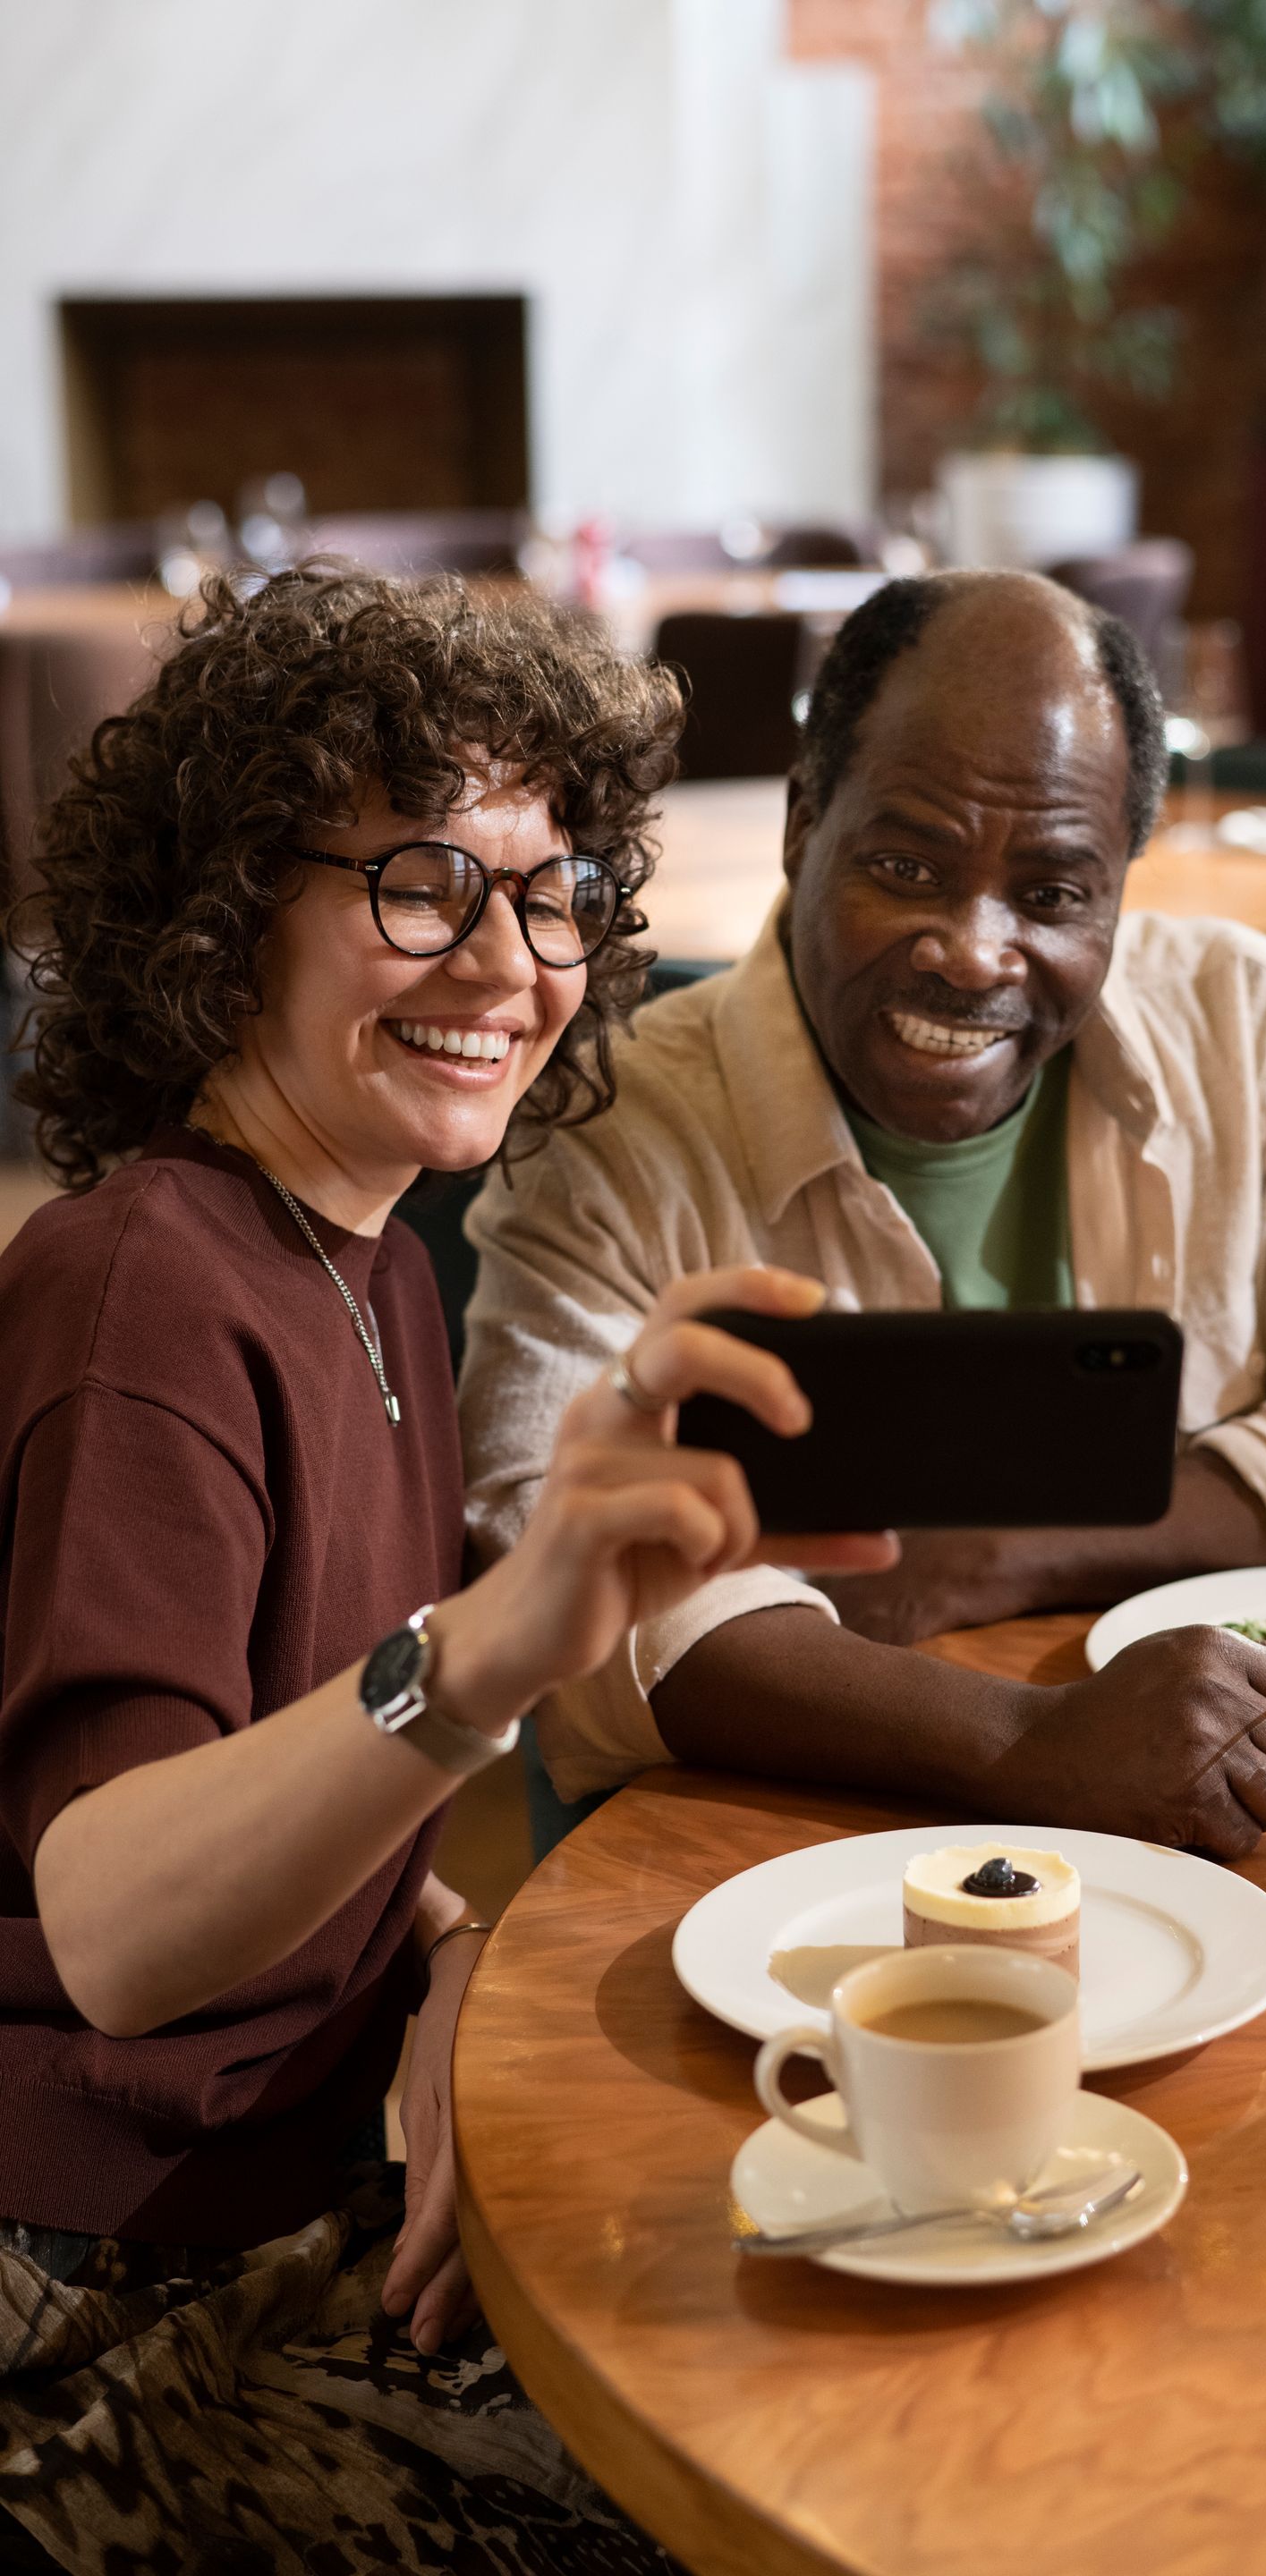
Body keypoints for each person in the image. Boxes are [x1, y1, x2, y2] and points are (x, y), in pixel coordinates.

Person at [0, 568, 889, 2576]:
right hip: (101, 2304)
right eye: (420, 881)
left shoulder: (374, 1255)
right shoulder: (144, 1290)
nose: (505, 957)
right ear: (226, 911)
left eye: (549, 888)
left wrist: (446, 1943)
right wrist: (478, 1657)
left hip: (284, 2207)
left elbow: (293, 1754)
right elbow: (119, 1923)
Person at [462, 569, 1266, 1854]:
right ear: (807, 824)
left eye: (1055, 893)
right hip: (768, 1846)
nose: (975, 950)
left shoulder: (1262, 1032)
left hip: (1198, 1829)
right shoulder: (613, 1116)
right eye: (908, 863)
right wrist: (1017, 1742)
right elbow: (541, 1555)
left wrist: (1009, 1549)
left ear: (1125, 886)